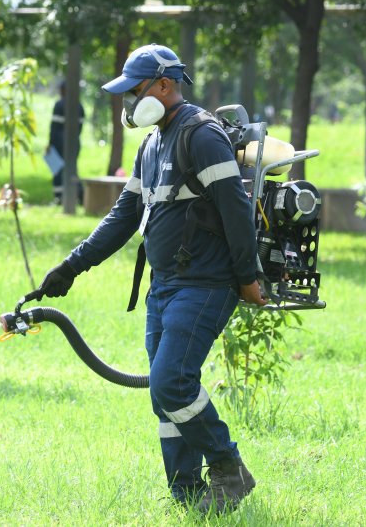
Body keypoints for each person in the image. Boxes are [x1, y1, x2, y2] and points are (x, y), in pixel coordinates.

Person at [31, 43, 265, 513]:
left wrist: (247, 277)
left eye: (134, 92)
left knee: (170, 382)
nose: (128, 104)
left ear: (164, 85)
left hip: (206, 283)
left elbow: (237, 210)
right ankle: (187, 494)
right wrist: (71, 267)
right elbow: (122, 217)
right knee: (167, 395)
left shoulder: (201, 135)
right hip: (165, 286)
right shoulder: (153, 143)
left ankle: (227, 467)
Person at [48, 83, 84, 205]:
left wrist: (50, 144)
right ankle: (80, 195)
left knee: (58, 170)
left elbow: (55, 128)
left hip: (59, 143)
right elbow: (79, 128)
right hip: (75, 143)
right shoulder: (79, 106)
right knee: (72, 170)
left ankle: (59, 197)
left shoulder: (59, 105)